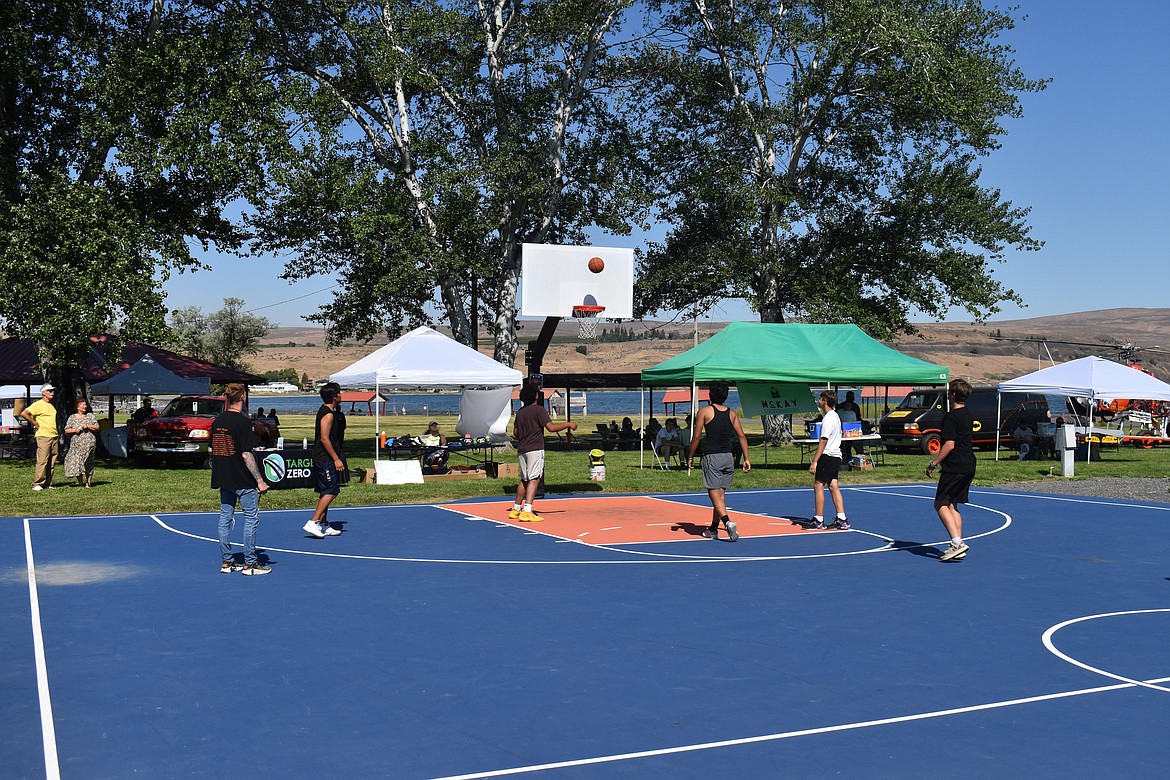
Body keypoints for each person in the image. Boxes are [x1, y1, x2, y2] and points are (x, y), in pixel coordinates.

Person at [211, 383, 271, 575]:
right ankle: (250, 562)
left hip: (223, 476)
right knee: (250, 518)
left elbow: (214, 449)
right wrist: (260, 480)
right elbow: (246, 455)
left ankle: (227, 561)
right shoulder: (243, 422)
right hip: (241, 478)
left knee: (225, 518)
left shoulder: (217, 421)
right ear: (243, 397)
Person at [686, 380, 751, 541]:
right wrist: (746, 458)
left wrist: (690, 456)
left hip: (712, 456)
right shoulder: (732, 413)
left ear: (710, 394)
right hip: (727, 457)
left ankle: (727, 522)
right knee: (720, 495)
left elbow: (696, 436)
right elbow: (742, 436)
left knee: (713, 493)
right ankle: (713, 529)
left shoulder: (704, 411)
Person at [510, 383, 577, 522]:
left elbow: (515, 432)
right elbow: (551, 428)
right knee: (535, 478)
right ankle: (527, 510)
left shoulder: (521, 412)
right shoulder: (539, 410)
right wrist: (568, 424)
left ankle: (516, 508)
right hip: (535, 449)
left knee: (524, 479)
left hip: (522, 449)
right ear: (535, 395)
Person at [926, 378, 975, 562]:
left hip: (955, 465)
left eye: (949, 391)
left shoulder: (951, 417)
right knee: (953, 504)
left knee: (940, 503)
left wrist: (934, 463)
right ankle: (957, 543)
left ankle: (957, 542)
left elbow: (949, 444)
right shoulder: (968, 414)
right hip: (969, 463)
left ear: (953, 394)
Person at [304, 381, 348, 538]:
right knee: (331, 490)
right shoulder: (328, 414)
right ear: (334, 397)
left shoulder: (329, 412)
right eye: (339, 393)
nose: (341, 395)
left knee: (325, 490)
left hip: (325, 456)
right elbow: (324, 438)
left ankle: (324, 524)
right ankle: (313, 522)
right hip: (324, 457)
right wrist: (336, 459)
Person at [808, 389, 849, 531]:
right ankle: (842, 518)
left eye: (820, 398)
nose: (818, 401)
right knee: (833, 486)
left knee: (818, 485)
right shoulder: (835, 416)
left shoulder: (829, 418)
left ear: (824, 401)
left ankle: (819, 519)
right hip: (836, 455)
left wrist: (815, 461)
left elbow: (823, 440)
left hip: (829, 455)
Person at [21, 384, 59, 490]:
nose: (52, 392)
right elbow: (24, 413)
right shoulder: (38, 404)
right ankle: (37, 483)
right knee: (42, 460)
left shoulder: (51, 405)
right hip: (43, 435)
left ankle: (47, 483)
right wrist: (35, 423)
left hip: (54, 435)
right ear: (43, 393)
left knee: (52, 461)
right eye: (50, 391)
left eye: (52, 391)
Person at [63, 398, 100, 487]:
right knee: (77, 462)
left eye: (85, 405)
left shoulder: (90, 416)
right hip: (76, 444)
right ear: (77, 407)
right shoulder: (72, 417)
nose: (85, 406)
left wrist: (88, 426)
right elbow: (67, 430)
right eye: (83, 405)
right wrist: (75, 430)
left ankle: (88, 482)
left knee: (88, 461)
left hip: (89, 443)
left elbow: (97, 427)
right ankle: (80, 482)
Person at [837, 391, 861, 462]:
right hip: (841, 431)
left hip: (852, 430)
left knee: (853, 445)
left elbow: (858, 418)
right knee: (842, 446)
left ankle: (857, 457)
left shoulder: (855, 407)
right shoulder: (840, 408)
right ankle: (843, 458)